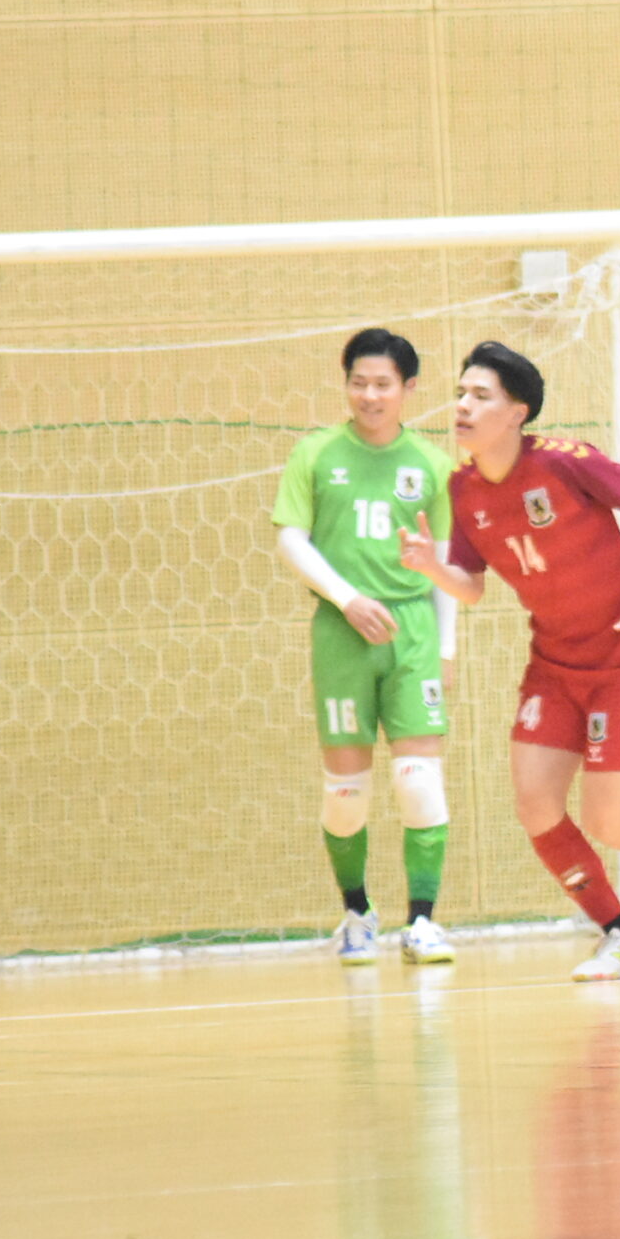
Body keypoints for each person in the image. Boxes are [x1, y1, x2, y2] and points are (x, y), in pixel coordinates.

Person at [399, 341, 620, 983]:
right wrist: (432, 567)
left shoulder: (564, 462)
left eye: (480, 395)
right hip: (553, 666)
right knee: (536, 806)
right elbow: (472, 586)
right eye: (460, 393)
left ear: (517, 413)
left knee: (609, 823)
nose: (462, 406)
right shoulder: (463, 487)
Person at [272, 328, 458, 965]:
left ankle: (423, 922)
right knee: (346, 794)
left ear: (409, 388)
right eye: (359, 383)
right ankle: (357, 913)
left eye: (383, 384)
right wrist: (347, 597)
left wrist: (447, 649)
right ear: (346, 383)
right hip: (341, 632)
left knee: (418, 780)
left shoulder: (433, 466)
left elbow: (448, 562)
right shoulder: (316, 453)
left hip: (413, 632)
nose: (370, 396)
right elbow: (290, 539)